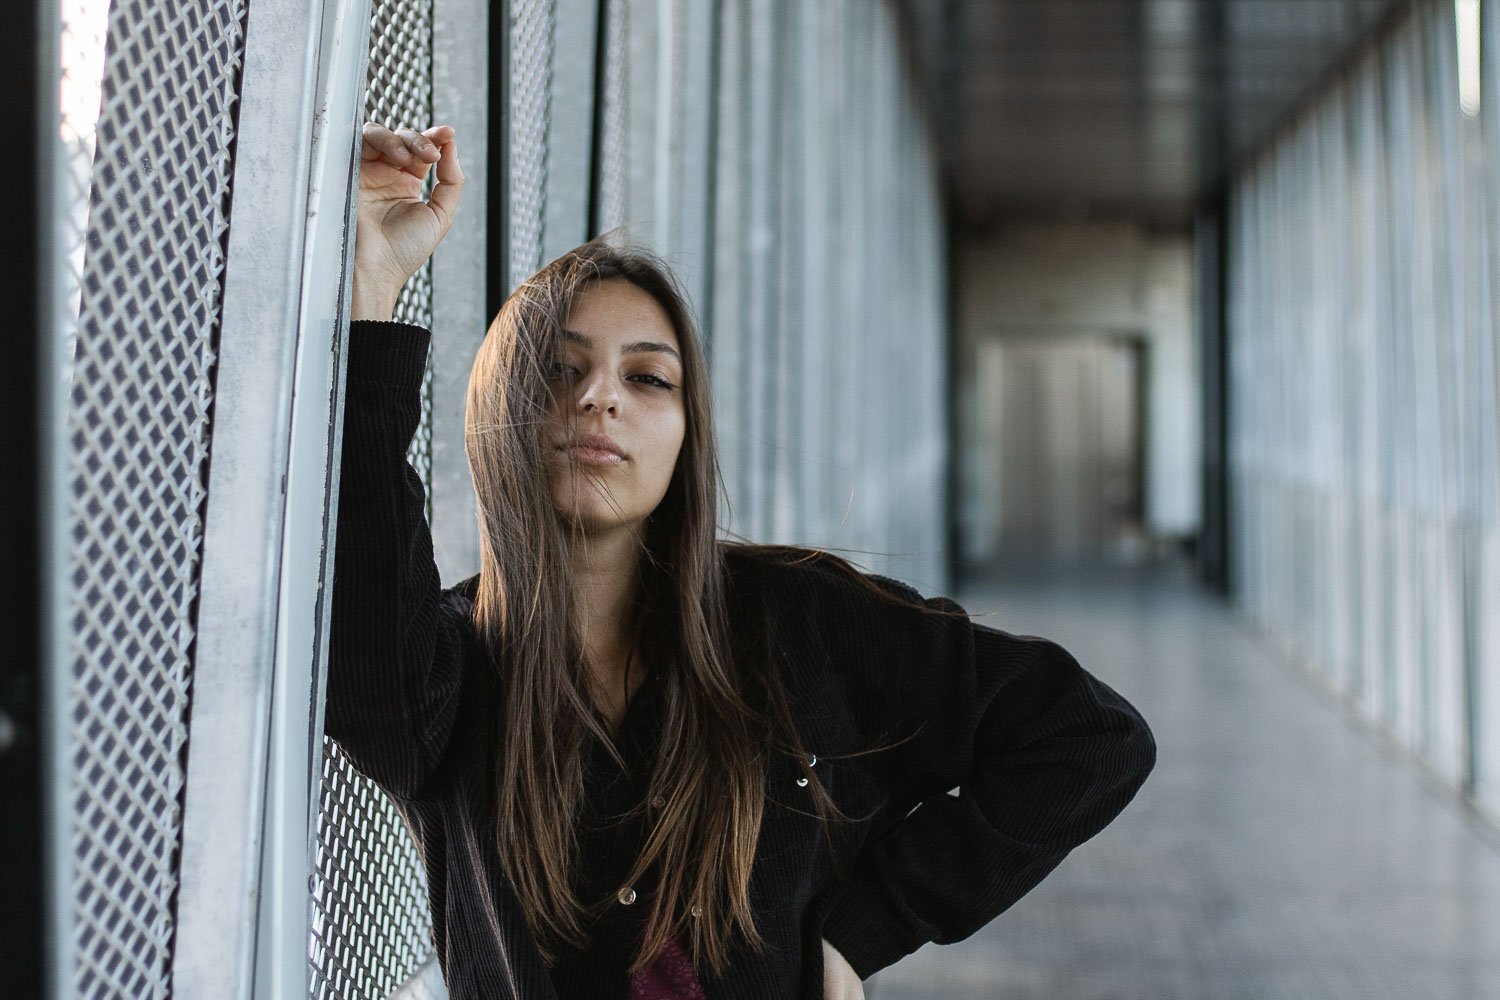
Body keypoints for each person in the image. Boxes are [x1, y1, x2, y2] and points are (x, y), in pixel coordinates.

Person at [327, 121, 1156, 1000]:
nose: (598, 396)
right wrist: (370, 284)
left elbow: (1088, 737)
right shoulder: (446, 678)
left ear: (688, 435)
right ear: (501, 416)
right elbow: (364, 600)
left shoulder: (796, 624)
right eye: (557, 369)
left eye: (648, 378)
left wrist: (860, 933)